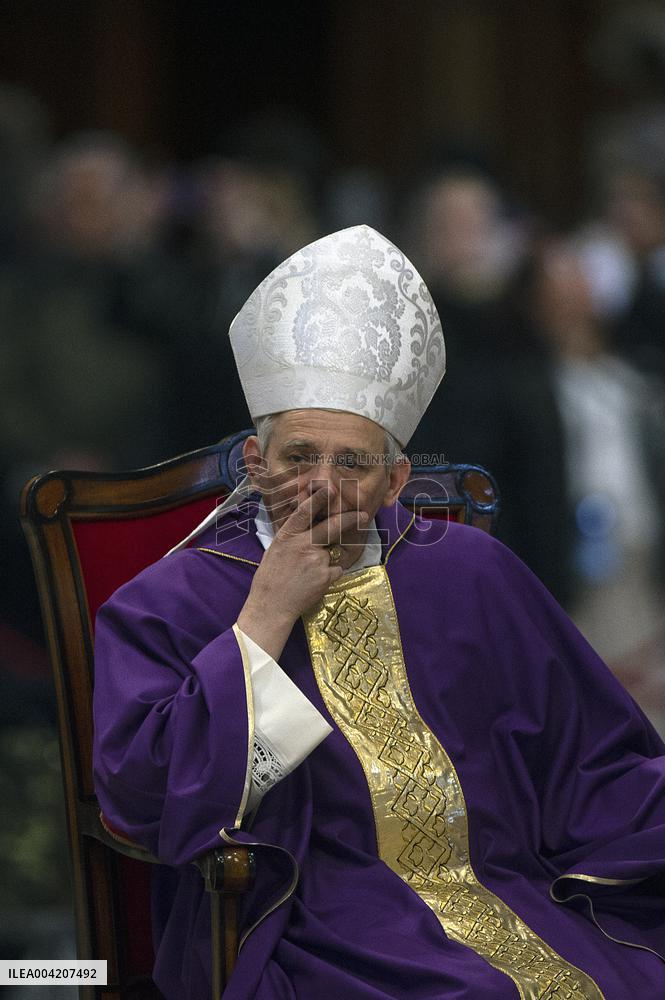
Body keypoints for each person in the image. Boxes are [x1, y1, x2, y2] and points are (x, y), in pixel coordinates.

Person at [93, 226, 665, 999]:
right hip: (316, 921)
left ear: (396, 481)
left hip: (512, 892)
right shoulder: (169, 600)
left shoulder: (469, 571)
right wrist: (263, 615)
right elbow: (145, 800)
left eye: (352, 463)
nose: (322, 486)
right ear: (256, 463)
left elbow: (594, 759)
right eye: (297, 458)